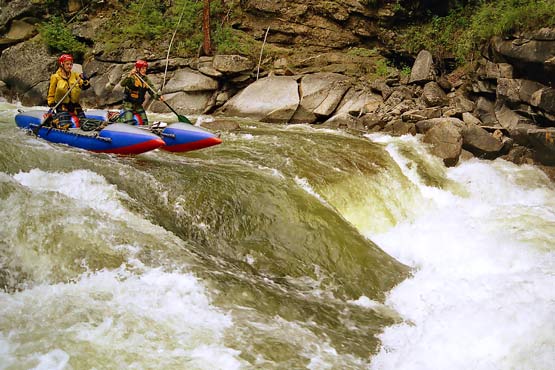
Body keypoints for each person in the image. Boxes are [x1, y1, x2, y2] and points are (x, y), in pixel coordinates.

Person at [45, 54, 91, 129]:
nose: (69, 66)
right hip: (62, 105)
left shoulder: (75, 75)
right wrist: (51, 104)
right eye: (67, 64)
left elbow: (84, 86)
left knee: (84, 122)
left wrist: (85, 80)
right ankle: (54, 121)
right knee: (65, 125)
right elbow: (51, 93)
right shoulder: (55, 77)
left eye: (71, 64)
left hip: (74, 105)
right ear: (62, 64)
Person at [119, 59, 163, 126]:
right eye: (142, 68)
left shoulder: (146, 80)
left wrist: (158, 97)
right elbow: (122, 84)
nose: (144, 70)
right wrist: (130, 75)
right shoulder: (132, 77)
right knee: (129, 122)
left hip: (138, 105)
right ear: (138, 69)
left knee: (145, 122)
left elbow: (152, 90)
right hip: (128, 104)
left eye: (145, 68)